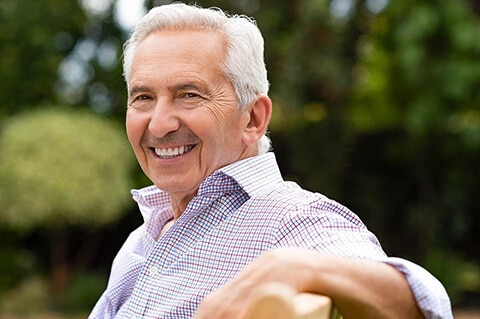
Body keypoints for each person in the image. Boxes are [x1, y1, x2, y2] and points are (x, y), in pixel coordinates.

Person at [89, 3, 453, 318]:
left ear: (253, 119)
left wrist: (301, 268)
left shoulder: (294, 223)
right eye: (143, 97)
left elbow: (422, 308)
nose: (159, 123)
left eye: (189, 94)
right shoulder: (144, 235)